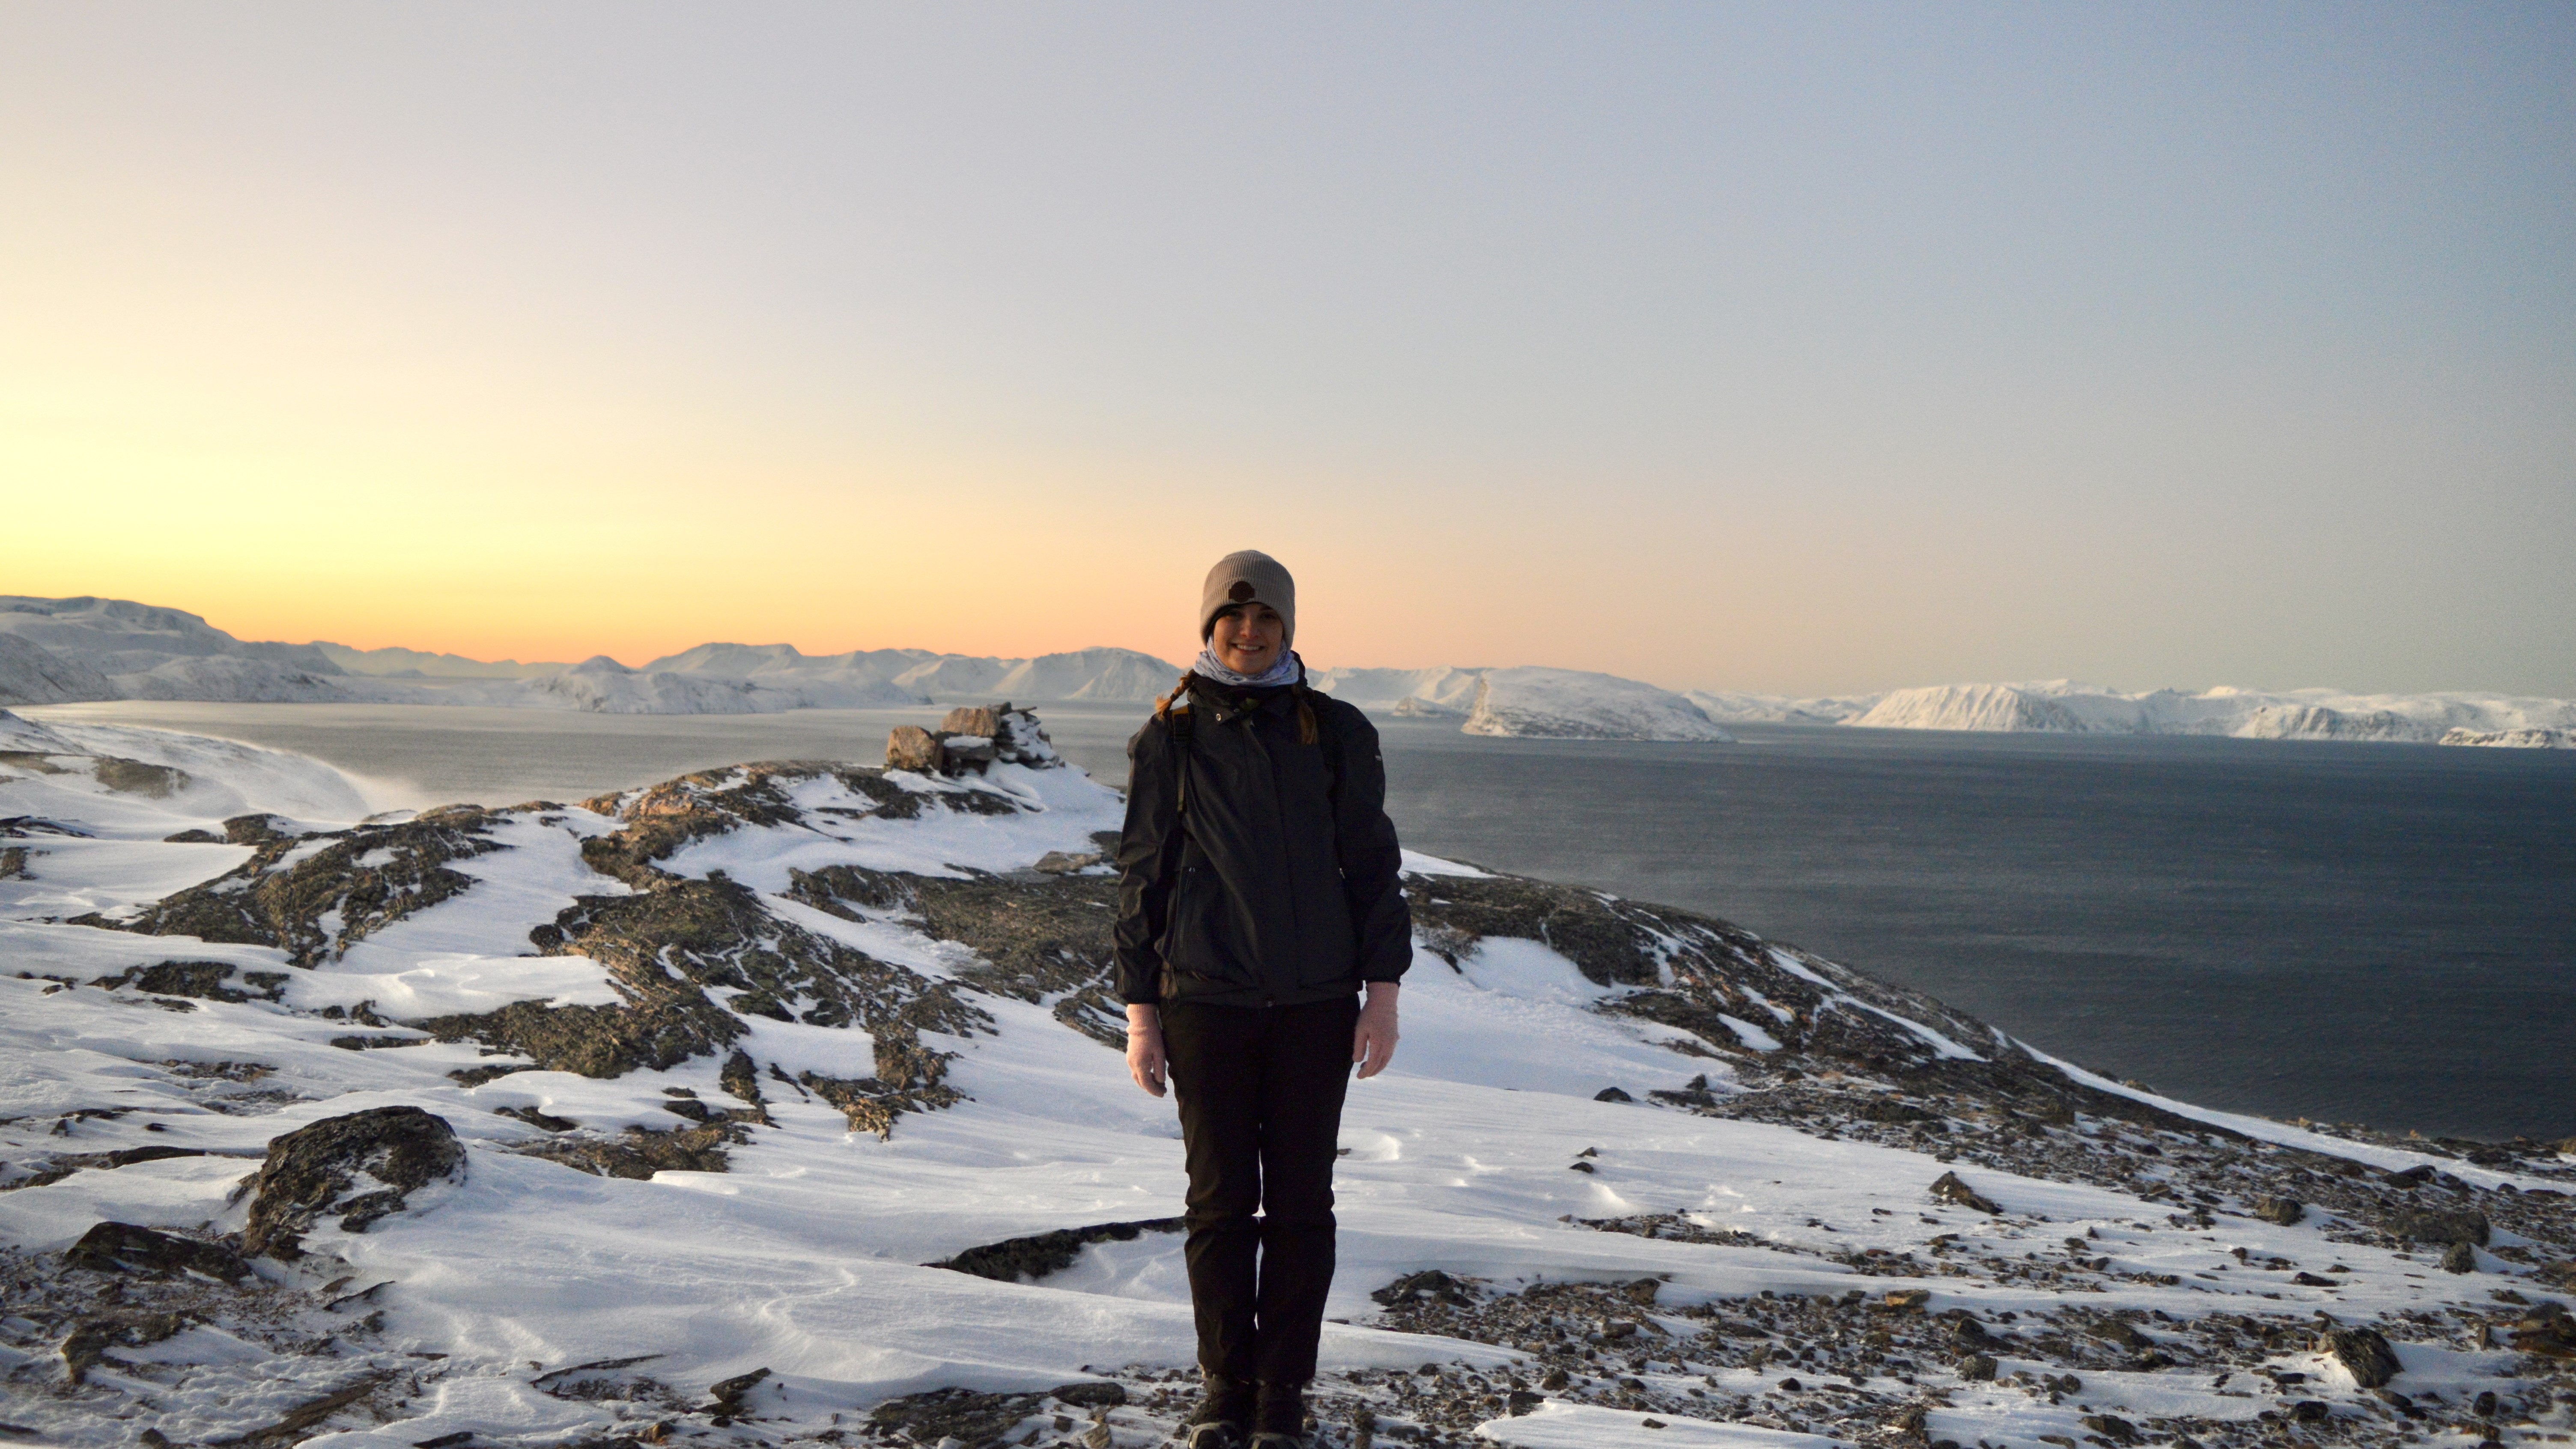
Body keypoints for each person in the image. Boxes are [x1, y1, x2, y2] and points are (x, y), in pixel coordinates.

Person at [1113, 549, 1413, 1449]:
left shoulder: (1337, 731)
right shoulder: (1169, 737)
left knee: (1298, 1207)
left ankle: (1281, 1392)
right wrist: (1141, 1013)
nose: (1248, 635)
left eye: (1265, 620)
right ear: (1207, 628)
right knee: (1215, 1205)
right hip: (1204, 1000)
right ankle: (1221, 1387)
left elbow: (1370, 866)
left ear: (1288, 627)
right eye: (1231, 620)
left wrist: (1382, 995)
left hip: (1316, 1003)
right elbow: (1141, 879)